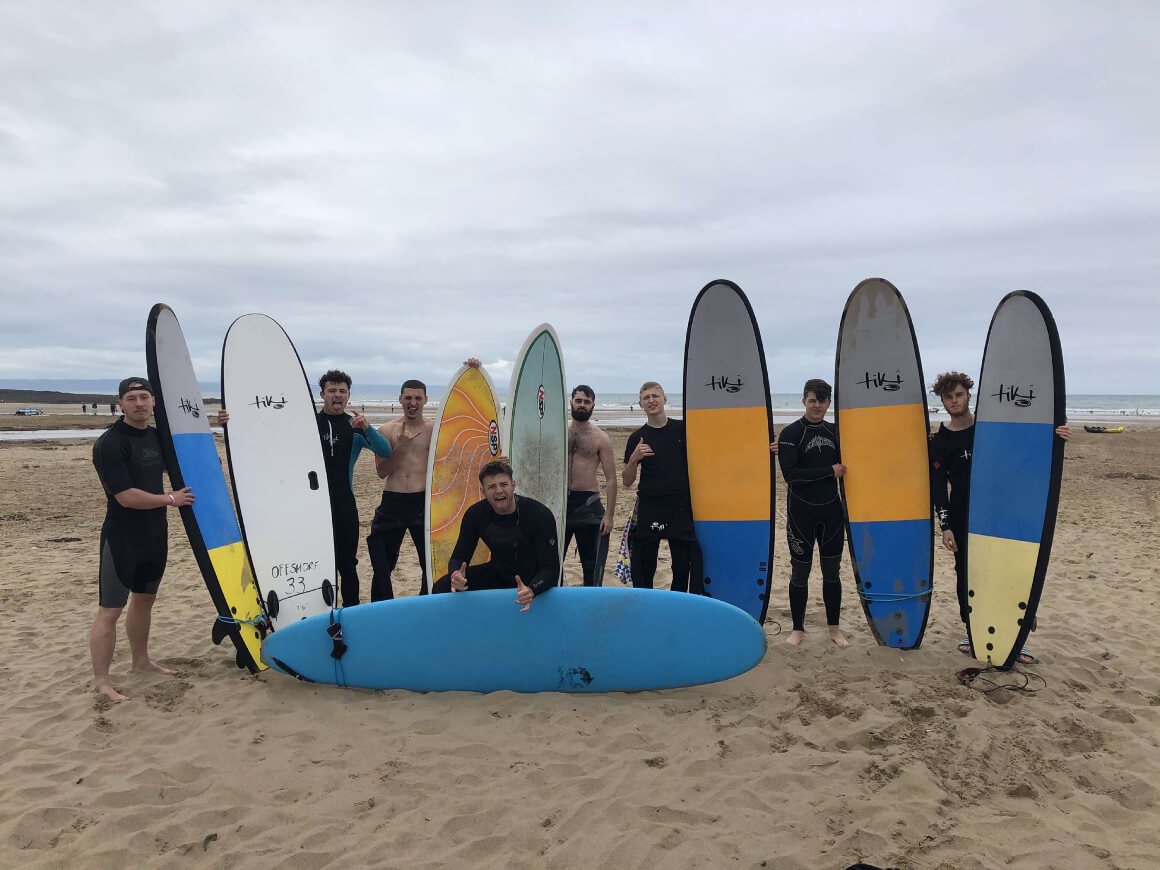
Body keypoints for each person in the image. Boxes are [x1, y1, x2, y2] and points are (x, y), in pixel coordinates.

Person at [930, 372, 1070, 664]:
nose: (954, 401)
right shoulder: (940, 441)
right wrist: (945, 526)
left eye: (959, 395)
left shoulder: (990, 429)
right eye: (948, 397)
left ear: (969, 395)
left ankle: (1015, 636)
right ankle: (973, 630)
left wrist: (1056, 437)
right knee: (968, 576)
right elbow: (938, 489)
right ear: (942, 401)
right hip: (962, 517)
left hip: (1000, 515)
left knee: (1008, 573)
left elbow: (1026, 450)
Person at [89, 377, 195, 702]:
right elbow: (126, 497)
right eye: (131, 398)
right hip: (122, 538)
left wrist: (223, 423)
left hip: (154, 534)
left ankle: (141, 662)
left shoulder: (157, 436)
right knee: (110, 610)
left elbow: (191, 448)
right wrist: (170, 499)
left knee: (144, 600)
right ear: (120, 403)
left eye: (144, 397)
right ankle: (102, 681)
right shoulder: (110, 443)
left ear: (153, 402)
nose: (139, 403)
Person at [777, 378, 849, 648]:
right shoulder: (790, 434)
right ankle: (798, 629)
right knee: (800, 572)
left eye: (822, 400)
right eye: (812, 400)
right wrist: (830, 471)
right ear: (803, 401)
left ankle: (834, 629)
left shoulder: (837, 433)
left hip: (831, 513)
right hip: (800, 514)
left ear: (829, 402)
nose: (817, 405)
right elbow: (791, 475)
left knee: (832, 573)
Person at [431, 460, 560, 609]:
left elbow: (551, 569)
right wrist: (455, 575)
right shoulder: (476, 514)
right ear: (483, 491)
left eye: (504, 484)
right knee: (442, 587)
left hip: (532, 578)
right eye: (492, 487)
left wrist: (532, 589)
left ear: (513, 485)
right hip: (498, 573)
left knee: (544, 585)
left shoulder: (539, 515)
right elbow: (459, 557)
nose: (499, 490)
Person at [315, 370, 392, 607]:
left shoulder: (355, 426)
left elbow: (385, 451)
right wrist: (230, 421)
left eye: (342, 391)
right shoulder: (307, 423)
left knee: (347, 564)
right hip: (313, 508)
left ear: (348, 395)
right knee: (317, 564)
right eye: (332, 391)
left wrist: (367, 428)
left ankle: (350, 612)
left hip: (344, 506)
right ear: (322, 394)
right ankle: (318, 611)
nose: (337, 395)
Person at [621, 382, 702, 593]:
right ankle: (646, 605)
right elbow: (627, 481)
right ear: (640, 405)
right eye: (646, 398)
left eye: (655, 396)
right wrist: (633, 459)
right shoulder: (637, 438)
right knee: (645, 565)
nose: (651, 400)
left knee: (682, 566)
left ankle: (677, 606)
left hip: (680, 506)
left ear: (665, 399)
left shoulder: (683, 430)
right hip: (651, 505)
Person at [367, 379, 433, 600]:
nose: (413, 402)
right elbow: (382, 472)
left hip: (423, 502)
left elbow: (467, 438)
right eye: (408, 398)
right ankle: (381, 607)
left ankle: (427, 602)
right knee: (383, 566)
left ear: (425, 400)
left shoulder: (435, 429)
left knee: (430, 563)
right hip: (392, 501)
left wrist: (472, 368)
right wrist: (401, 446)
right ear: (400, 399)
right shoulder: (386, 430)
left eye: (417, 398)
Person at [564, 385, 618, 586]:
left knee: (591, 565)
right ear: (571, 402)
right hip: (560, 502)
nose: (582, 405)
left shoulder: (600, 437)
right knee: (552, 561)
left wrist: (610, 515)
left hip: (588, 503)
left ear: (593, 405)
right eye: (578, 401)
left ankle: (591, 606)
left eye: (586, 402)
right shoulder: (559, 431)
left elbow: (611, 478)